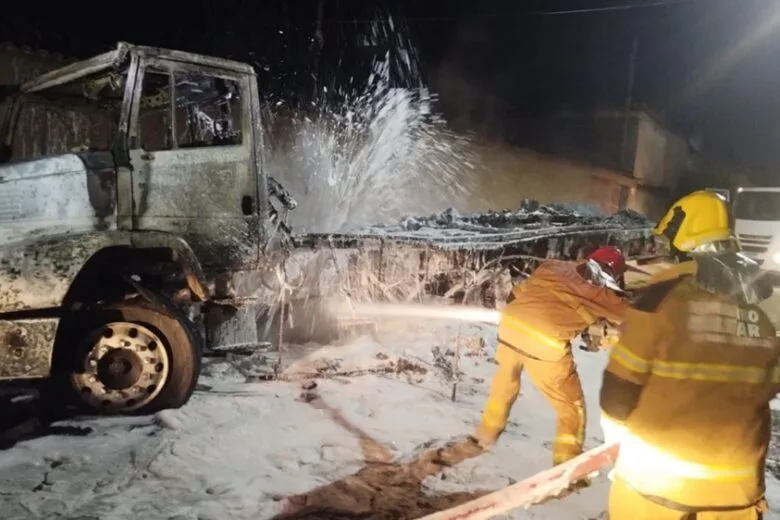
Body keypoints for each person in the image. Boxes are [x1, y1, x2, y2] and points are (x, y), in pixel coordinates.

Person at [600, 190, 779, 519]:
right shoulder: (766, 305)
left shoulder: (660, 298)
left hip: (654, 487)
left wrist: (618, 441)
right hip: (735, 490)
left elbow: (618, 392)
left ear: (682, 243)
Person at [473, 246, 630, 471]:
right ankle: (565, 465)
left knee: (505, 385)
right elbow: (633, 319)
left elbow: (515, 294)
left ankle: (484, 436)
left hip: (510, 329)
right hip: (544, 346)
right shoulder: (606, 297)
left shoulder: (553, 267)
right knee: (570, 408)